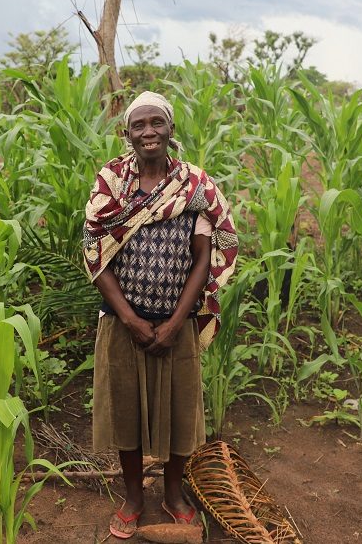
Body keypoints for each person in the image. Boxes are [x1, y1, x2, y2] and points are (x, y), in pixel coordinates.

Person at [83, 90, 238, 540]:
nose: (148, 131)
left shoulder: (194, 185)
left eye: (157, 122)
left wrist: (174, 323)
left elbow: (204, 257)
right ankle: (133, 498)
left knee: (180, 412)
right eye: (139, 124)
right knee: (125, 410)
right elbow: (96, 254)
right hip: (121, 322)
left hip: (178, 322)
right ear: (126, 133)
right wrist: (130, 319)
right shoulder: (112, 182)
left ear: (170, 129)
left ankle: (173, 494)